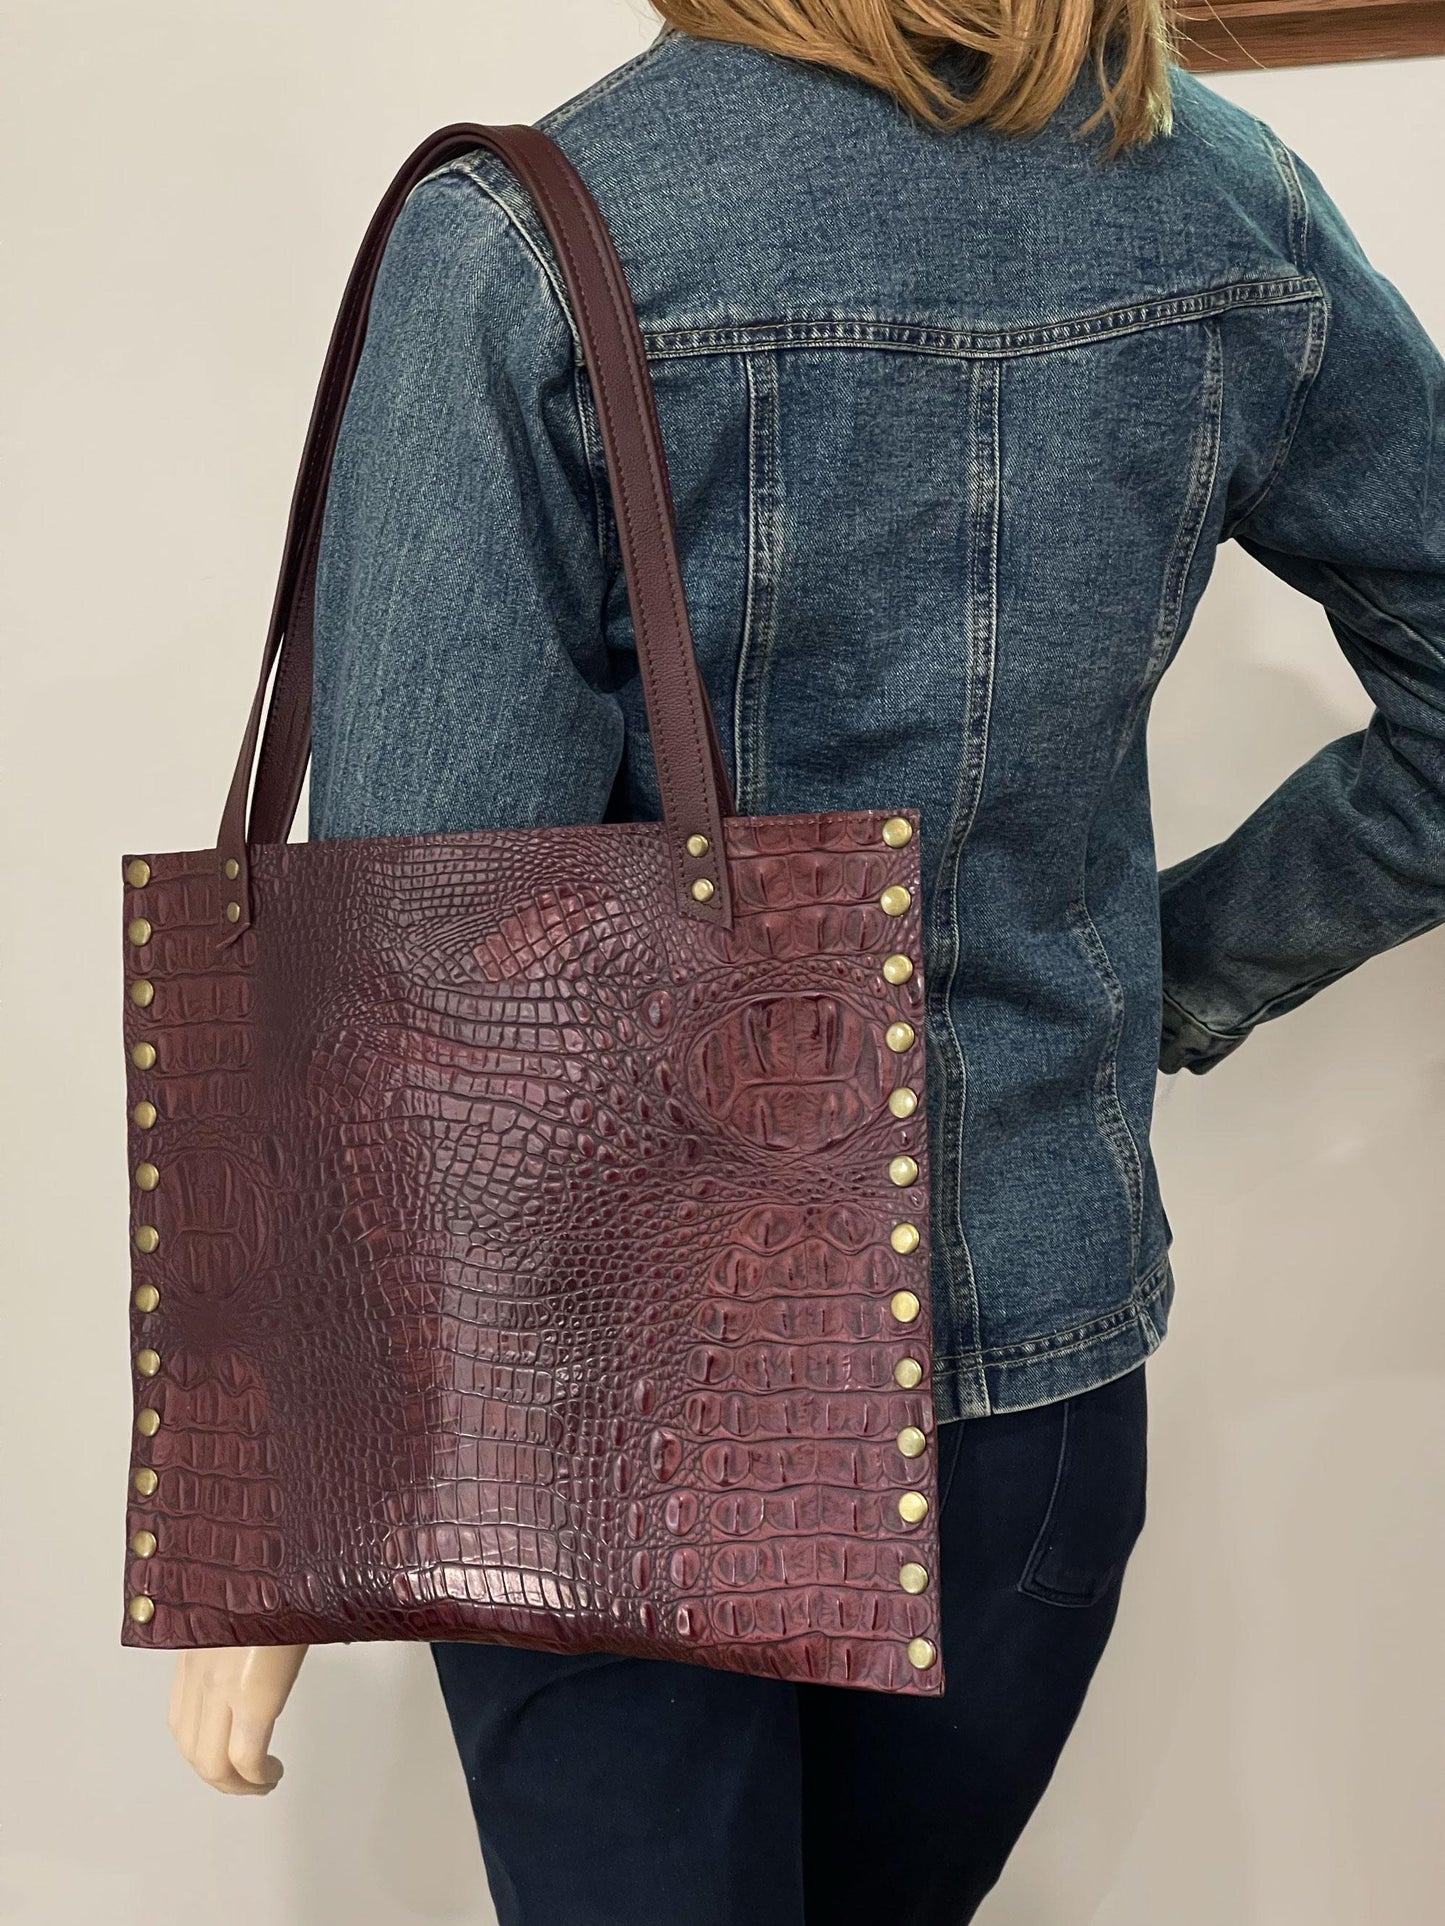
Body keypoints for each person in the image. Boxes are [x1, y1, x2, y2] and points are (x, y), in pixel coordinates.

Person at [163, 6, 1445, 1922]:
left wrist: (304, 1474)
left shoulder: (532, 232)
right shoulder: (1219, 200)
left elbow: (433, 943)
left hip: (602, 1406)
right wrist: (1156, 979)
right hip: (1034, 1380)